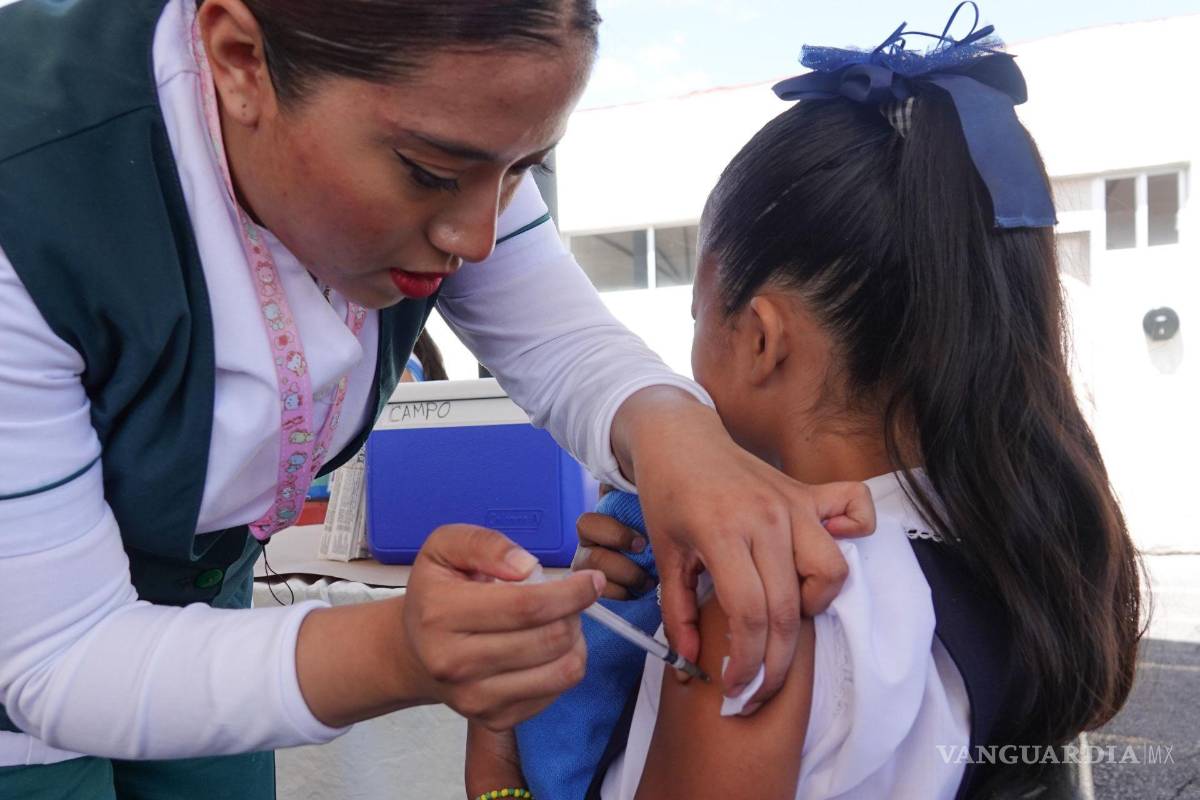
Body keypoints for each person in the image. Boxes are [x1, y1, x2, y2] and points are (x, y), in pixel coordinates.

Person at [0, 0, 877, 796]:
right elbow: (57, 654)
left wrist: (680, 439)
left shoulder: (448, 129)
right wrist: (392, 651)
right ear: (238, 60)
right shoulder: (30, 191)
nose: (478, 237)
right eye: (428, 172)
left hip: (199, 604)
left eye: (521, 172)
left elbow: (563, 340)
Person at [467, 12, 1144, 800]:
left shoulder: (762, 607)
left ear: (761, 339)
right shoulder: (1009, 542)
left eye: (698, 315)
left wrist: (496, 756)